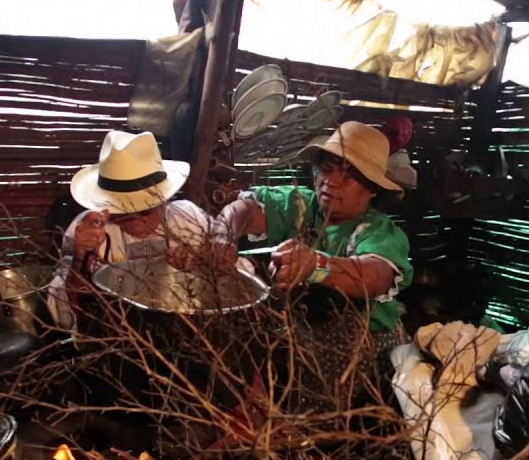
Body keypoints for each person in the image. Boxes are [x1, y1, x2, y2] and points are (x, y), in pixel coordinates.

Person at [212, 121, 413, 396]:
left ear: (372, 189)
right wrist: (222, 237)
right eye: (326, 170)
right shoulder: (301, 206)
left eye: (347, 177)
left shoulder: (378, 231)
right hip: (304, 343)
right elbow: (244, 208)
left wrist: (317, 266)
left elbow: (375, 275)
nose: (330, 182)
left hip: (365, 356)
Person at [47, 129, 237, 329]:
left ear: (164, 198)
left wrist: (207, 256)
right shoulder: (87, 231)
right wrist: (79, 261)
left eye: (144, 209)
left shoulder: (187, 219)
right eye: (122, 210)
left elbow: (231, 270)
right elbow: (65, 317)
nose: (134, 219)